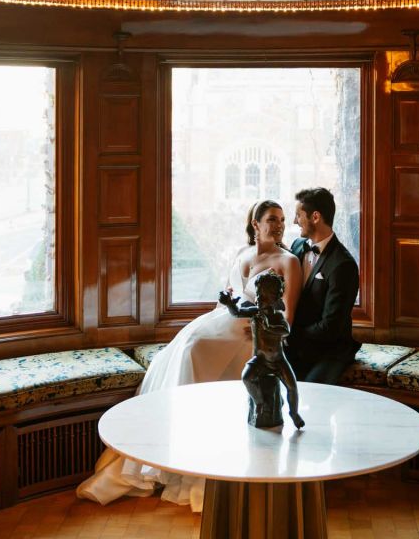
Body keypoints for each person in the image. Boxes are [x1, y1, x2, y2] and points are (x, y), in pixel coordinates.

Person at [76, 200, 302, 511]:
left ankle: (197, 460)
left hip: (250, 335)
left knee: (195, 350)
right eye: (272, 219)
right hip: (222, 321)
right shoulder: (241, 254)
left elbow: (289, 315)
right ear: (255, 224)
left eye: (282, 220)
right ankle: (167, 453)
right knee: (179, 348)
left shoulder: (288, 261)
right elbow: (227, 295)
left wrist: (266, 328)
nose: (278, 225)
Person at [285, 187, 362, 385]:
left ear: (316, 217)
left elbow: (330, 327)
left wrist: (290, 334)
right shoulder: (297, 247)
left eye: (298, 215)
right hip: (297, 345)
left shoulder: (343, 265)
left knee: (310, 390)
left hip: (330, 350)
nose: (295, 221)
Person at [219, 270, 305, 429]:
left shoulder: (277, 317)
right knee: (246, 377)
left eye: (264, 297)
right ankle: (259, 402)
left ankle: (294, 413)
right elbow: (237, 313)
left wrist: (270, 326)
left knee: (292, 387)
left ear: (275, 299)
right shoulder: (255, 313)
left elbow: (285, 330)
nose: (259, 299)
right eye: (258, 295)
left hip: (278, 360)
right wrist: (230, 303)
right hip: (260, 359)